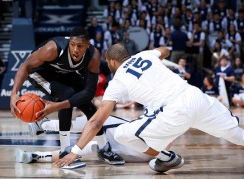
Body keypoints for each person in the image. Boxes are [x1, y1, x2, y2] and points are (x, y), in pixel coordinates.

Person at [54, 44, 244, 173]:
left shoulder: (118, 80)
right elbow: (164, 50)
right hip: (196, 97)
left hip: (172, 112)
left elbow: (96, 121)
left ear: (111, 61)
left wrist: (75, 152)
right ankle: (166, 155)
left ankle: (166, 157)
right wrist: (162, 53)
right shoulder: (145, 55)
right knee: (236, 135)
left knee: (122, 134)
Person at [10, 27, 124, 166]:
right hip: (40, 72)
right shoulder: (52, 49)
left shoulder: (93, 56)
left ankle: (103, 148)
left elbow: (89, 92)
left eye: (80, 46)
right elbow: (25, 66)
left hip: (63, 72)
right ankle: (65, 151)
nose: (76, 49)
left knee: (89, 106)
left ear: (88, 45)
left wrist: (58, 106)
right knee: (67, 95)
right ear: (69, 42)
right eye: (73, 45)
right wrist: (14, 93)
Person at [15, 114, 157, 166]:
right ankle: (36, 156)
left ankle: (43, 125)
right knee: (88, 148)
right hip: (135, 152)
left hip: (128, 136)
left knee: (92, 121)